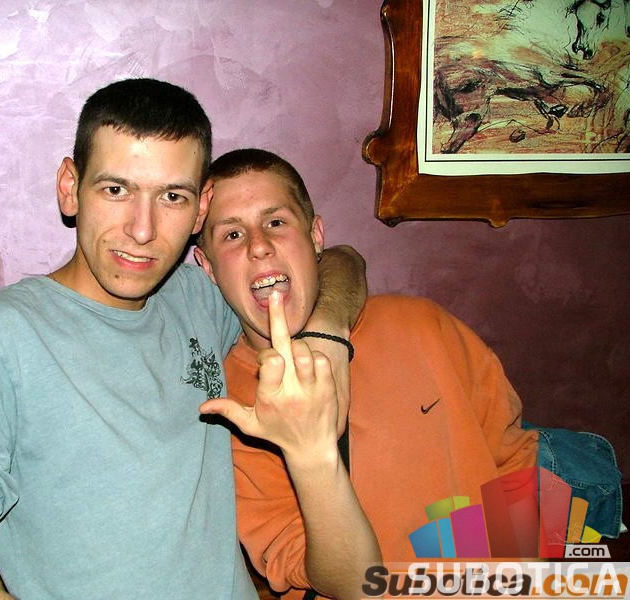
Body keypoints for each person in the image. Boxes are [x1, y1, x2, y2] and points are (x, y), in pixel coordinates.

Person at [0, 80, 366, 599]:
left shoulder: (198, 299)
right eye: (116, 190)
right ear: (70, 187)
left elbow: (340, 260)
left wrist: (327, 338)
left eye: (172, 197)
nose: (142, 230)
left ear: (201, 208)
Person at [193, 148, 540, 600]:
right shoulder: (227, 410)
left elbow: (513, 459)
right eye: (233, 234)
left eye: (276, 222)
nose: (259, 245)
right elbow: (341, 582)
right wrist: (310, 449)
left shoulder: (422, 326)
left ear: (316, 236)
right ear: (208, 267)